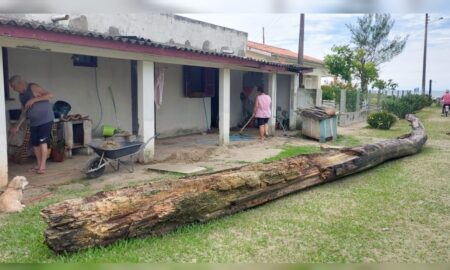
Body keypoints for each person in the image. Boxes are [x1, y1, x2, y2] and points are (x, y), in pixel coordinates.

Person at [9, 75, 54, 174]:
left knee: (42, 142)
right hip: (34, 122)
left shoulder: (32, 87)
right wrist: (17, 126)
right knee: (35, 144)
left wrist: (34, 99)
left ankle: (42, 167)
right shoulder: (21, 96)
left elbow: (50, 95)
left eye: (14, 87)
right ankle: (38, 165)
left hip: (45, 119)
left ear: (19, 84)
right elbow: (24, 112)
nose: (13, 89)